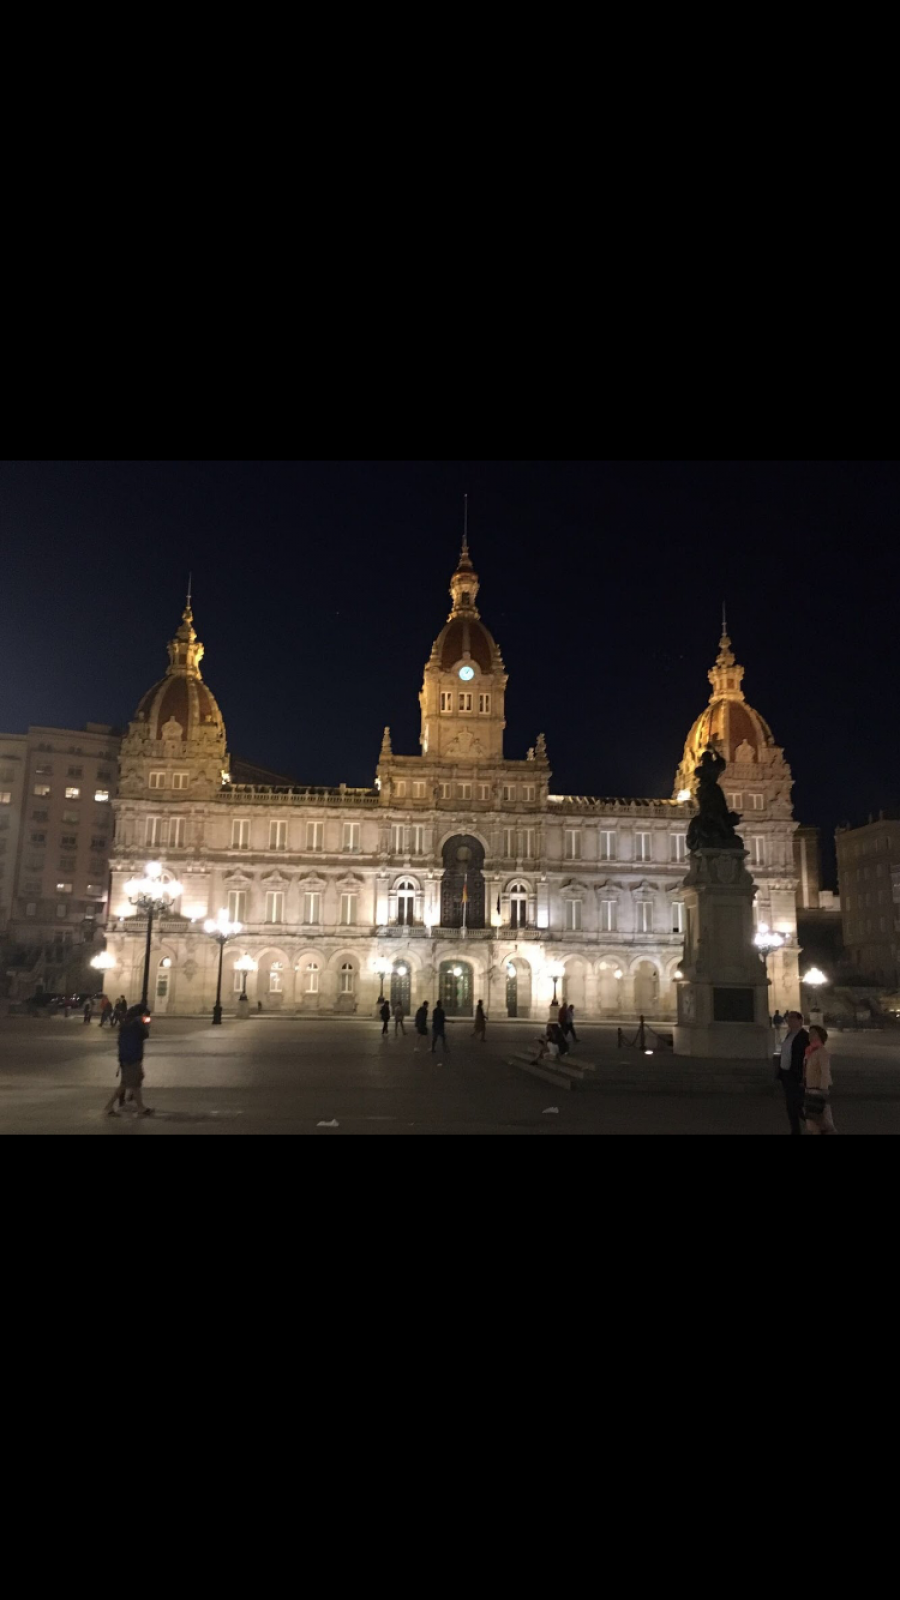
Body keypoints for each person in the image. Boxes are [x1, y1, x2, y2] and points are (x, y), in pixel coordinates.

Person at [103, 1005, 154, 1117]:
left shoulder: (127, 1023)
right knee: (131, 1083)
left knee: (133, 1080)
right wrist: (146, 1024)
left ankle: (139, 1106)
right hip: (132, 1058)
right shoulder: (137, 1023)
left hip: (127, 1056)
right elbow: (145, 1035)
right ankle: (110, 1107)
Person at [776, 1009, 809, 1136]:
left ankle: (816, 1126)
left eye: (793, 1018)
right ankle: (796, 1130)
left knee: (797, 1105)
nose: (789, 1020)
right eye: (789, 1018)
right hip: (786, 1074)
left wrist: (803, 1076)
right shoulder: (789, 1034)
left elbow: (806, 1057)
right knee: (791, 1105)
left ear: (800, 1020)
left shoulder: (804, 1036)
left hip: (796, 1075)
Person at [803, 1024, 837, 1135]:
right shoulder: (810, 1051)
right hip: (810, 1088)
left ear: (820, 1036)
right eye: (810, 1033)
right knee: (812, 1120)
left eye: (813, 1033)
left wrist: (823, 1089)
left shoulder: (822, 1052)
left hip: (817, 1090)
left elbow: (825, 1072)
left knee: (818, 1120)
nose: (810, 1035)